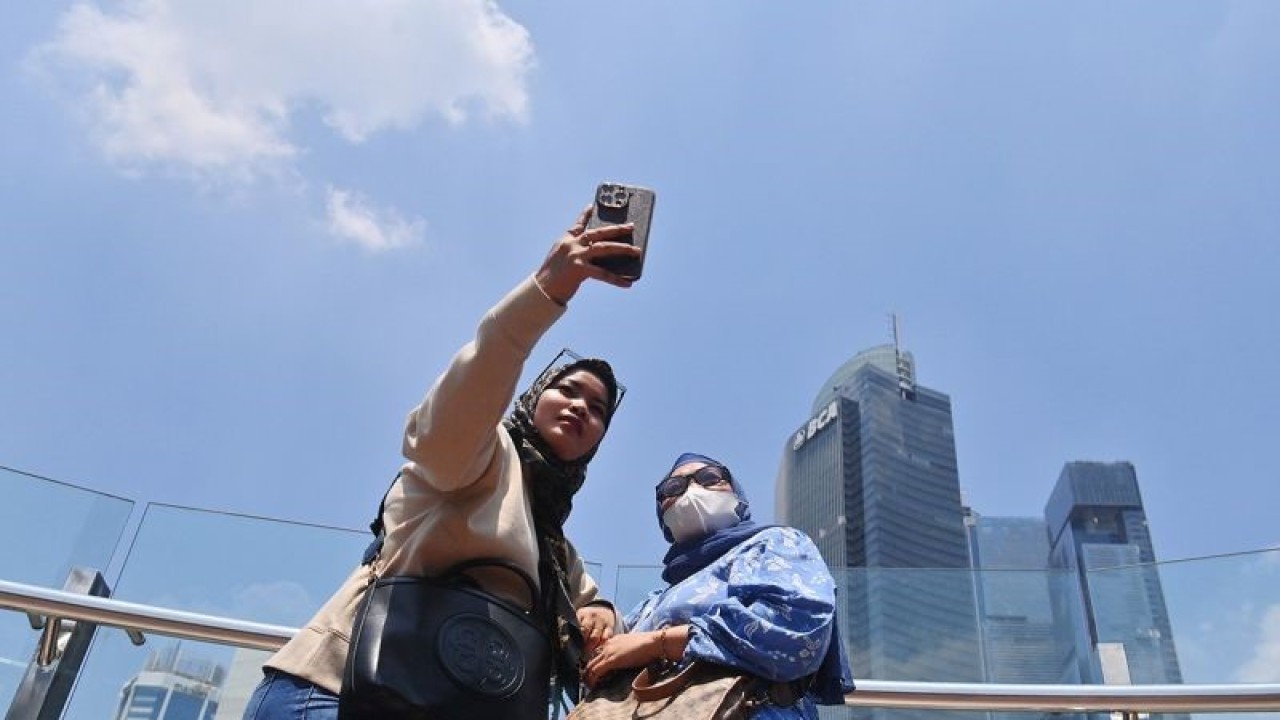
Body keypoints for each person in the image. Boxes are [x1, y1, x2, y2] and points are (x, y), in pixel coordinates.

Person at [243, 206, 642, 718]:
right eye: (567, 390)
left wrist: (601, 611)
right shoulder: (483, 446)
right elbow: (470, 393)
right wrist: (547, 290)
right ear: (531, 399)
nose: (580, 407)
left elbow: (592, 610)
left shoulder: (556, 548)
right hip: (339, 693)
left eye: (598, 409)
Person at [581, 453, 854, 719]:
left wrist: (658, 643)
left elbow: (797, 626)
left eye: (710, 477)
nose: (692, 489)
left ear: (737, 494)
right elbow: (610, 655)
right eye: (673, 487)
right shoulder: (655, 601)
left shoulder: (773, 544)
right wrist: (604, 614)